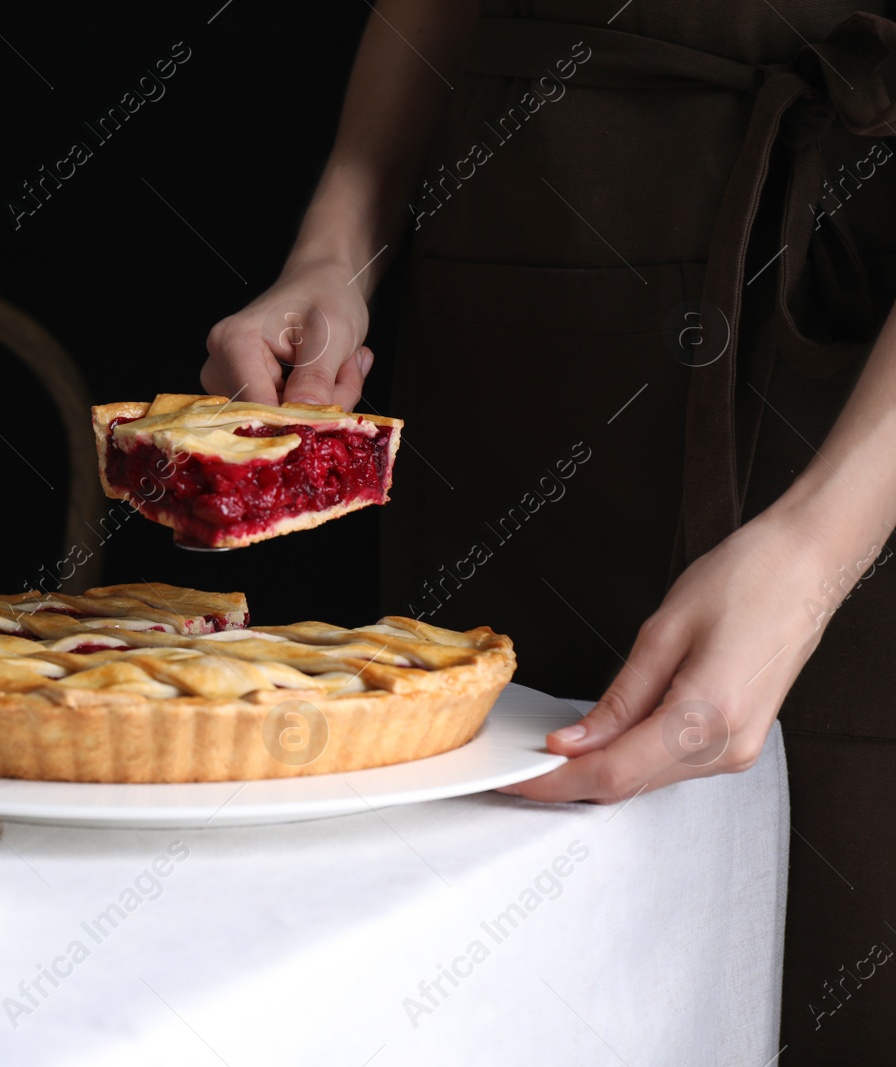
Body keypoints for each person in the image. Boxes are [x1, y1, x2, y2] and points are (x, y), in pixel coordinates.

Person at [201, 1, 896, 1058]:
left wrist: (813, 552)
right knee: (475, 967)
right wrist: (334, 255)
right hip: (521, 310)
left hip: (853, 400)